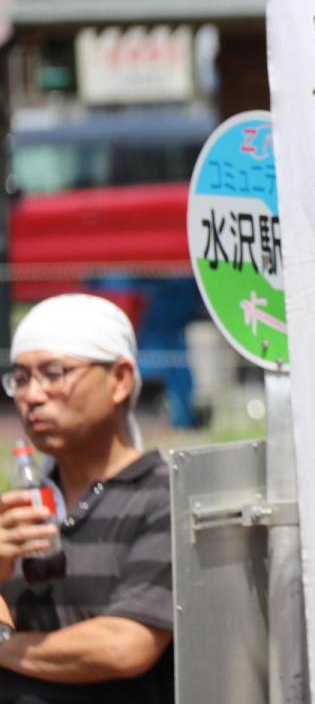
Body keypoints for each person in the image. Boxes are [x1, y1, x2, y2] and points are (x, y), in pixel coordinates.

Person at [0, 294, 174, 704]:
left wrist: (6, 645)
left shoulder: (162, 496)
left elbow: (123, 646)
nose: (32, 396)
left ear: (120, 380)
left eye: (54, 373)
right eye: (20, 378)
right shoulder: (20, 507)